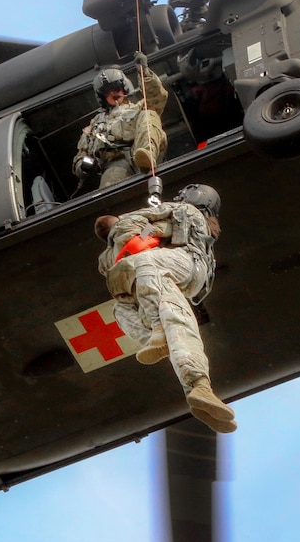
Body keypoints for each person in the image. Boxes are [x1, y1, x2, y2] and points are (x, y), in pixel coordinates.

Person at [94, 184, 235, 433]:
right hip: (162, 271)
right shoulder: (184, 214)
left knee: (146, 262)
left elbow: (154, 229)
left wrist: (140, 231)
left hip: (185, 263)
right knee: (123, 309)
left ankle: (160, 331)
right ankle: (196, 385)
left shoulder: (187, 212)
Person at [74, 52, 169, 188]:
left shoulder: (138, 107)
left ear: (124, 88)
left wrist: (144, 71)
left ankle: (146, 155)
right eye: (107, 92)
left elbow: (158, 98)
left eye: (116, 88)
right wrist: (83, 166)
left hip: (142, 153)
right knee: (112, 195)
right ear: (102, 98)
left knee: (149, 113)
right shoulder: (95, 123)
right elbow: (81, 152)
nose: (113, 93)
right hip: (115, 166)